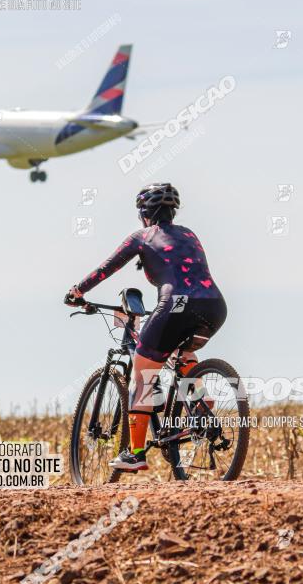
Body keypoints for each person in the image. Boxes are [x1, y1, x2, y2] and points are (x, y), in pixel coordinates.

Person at [65, 183, 227, 471]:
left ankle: (135, 453)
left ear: (143, 213)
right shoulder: (190, 234)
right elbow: (185, 270)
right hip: (214, 305)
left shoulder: (142, 237)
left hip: (176, 304)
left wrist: (77, 292)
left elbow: (107, 267)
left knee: (144, 371)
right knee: (181, 352)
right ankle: (201, 403)